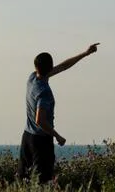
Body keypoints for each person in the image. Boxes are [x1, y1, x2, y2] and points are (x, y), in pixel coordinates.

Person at [17, 43, 100, 183]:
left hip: (27, 138)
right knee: (42, 181)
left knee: (24, 179)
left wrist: (85, 53)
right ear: (49, 68)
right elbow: (40, 120)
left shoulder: (31, 78)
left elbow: (63, 66)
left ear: (36, 67)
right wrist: (57, 136)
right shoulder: (44, 92)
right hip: (41, 141)